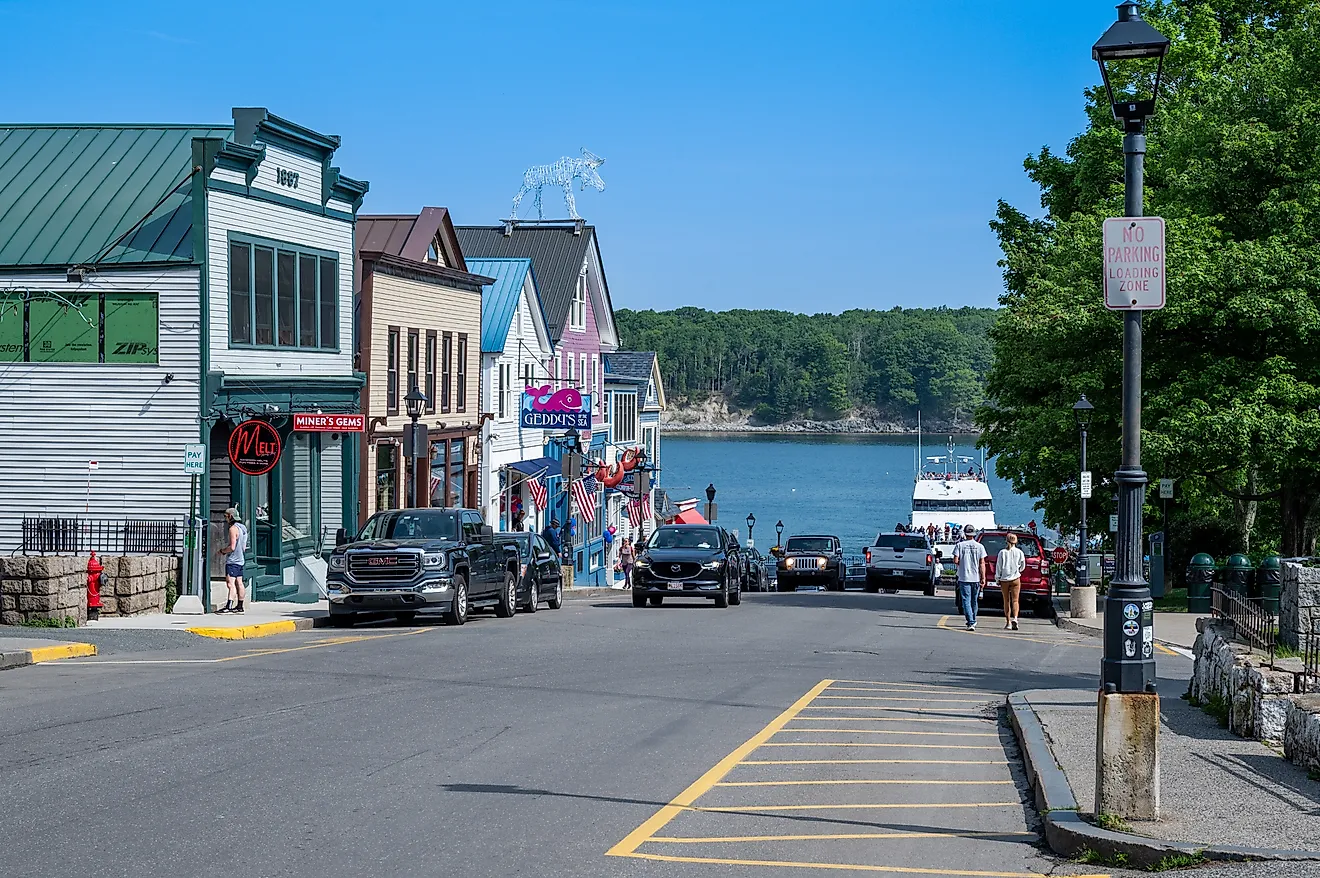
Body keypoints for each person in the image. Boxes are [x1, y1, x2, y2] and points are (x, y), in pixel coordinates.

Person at [213, 507, 248, 614]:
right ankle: (240, 606)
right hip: (241, 559)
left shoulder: (233, 529)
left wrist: (223, 551)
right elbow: (244, 547)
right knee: (239, 582)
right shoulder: (243, 528)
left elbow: (232, 547)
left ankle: (228, 605)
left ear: (230, 516)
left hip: (233, 560)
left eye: (226, 516)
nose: (225, 519)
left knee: (230, 583)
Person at [952, 524, 986, 631]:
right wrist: (983, 577)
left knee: (966, 600)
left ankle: (970, 621)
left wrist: (962, 565)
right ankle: (973, 620)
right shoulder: (980, 546)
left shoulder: (960, 545)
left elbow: (956, 560)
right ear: (974, 534)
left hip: (964, 577)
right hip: (975, 577)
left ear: (965, 534)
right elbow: (982, 563)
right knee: (974, 601)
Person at [996, 533, 1026, 630]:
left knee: (1006, 600)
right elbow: (1022, 565)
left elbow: (999, 567)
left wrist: (997, 578)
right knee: (1015, 600)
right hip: (1015, 578)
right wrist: (1018, 571)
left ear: (1006, 540)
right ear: (1016, 541)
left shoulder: (1002, 552)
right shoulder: (1019, 552)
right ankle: (1016, 618)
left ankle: (1008, 622)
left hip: (1004, 579)